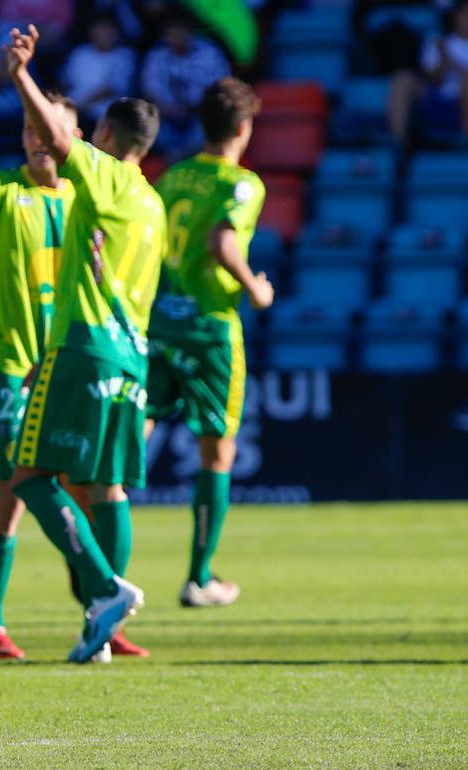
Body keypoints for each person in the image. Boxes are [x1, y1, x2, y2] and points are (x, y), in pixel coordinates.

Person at [4, 24, 161, 664]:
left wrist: (20, 75)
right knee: (107, 488)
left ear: (108, 139)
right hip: (131, 356)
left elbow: (57, 138)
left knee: (30, 476)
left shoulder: (109, 177)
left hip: (83, 346)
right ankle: (101, 630)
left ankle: (104, 590)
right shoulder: (149, 203)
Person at [145, 77, 272, 608]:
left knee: (135, 431)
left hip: (161, 321)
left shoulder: (174, 176)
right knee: (217, 450)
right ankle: (199, 577)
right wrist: (256, 288)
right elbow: (223, 243)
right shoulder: (241, 184)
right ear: (243, 128)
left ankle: (95, 548)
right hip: (209, 329)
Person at [386, 0, 468, 146]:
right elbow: (432, 79)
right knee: (402, 79)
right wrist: (445, 60)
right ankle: (396, 145)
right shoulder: (438, 41)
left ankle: (466, 141)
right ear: (457, 16)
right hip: (438, 99)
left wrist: (463, 69)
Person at [140, 14, 231, 160]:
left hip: (201, 113)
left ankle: (181, 164)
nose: (177, 36)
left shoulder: (209, 52)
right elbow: (150, 91)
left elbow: (222, 86)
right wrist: (171, 109)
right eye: (172, 33)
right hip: (166, 116)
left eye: (181, 31)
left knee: (204, 130)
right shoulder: (157, 56)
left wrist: (195, 106)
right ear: (165, 36)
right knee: (153, 128)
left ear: (189, 32)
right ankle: (178, 164)